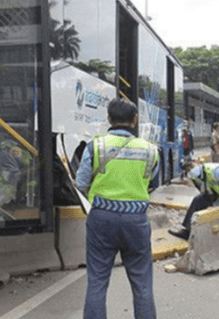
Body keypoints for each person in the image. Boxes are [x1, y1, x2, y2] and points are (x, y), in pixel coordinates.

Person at [75, 97, 159, 319]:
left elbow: (81, 183)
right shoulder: (151, 150)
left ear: (109, 118)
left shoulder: (97, 145)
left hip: (102, 218)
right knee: (142, 283)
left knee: (97, 281)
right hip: (137, 221)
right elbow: (152, 183)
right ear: (135, 119)